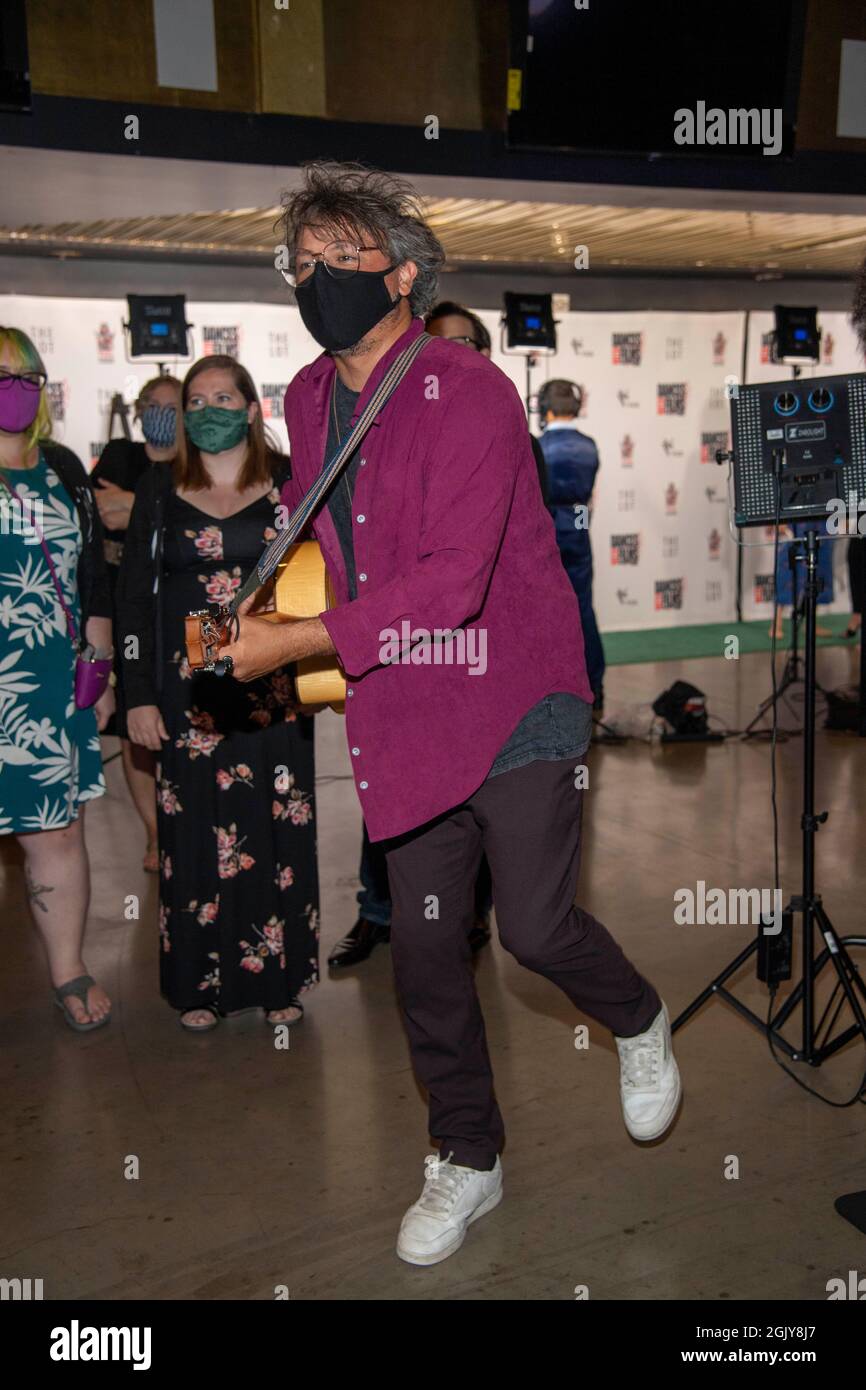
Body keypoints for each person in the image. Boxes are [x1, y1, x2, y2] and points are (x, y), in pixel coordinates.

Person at [220, 162, 681, 1265]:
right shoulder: (303, 399)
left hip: (513, 685)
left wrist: (292, 645)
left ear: (405, 275)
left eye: (344, 260)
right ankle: (466, 1156)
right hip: (402, 705)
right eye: (303, 263)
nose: (319, 281)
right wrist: (259, 603)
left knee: (529, 928)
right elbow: (326, 528)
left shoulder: (470, 389)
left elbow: (447, 583)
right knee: (425, 955)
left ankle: (634, 1016)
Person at [116, 355, 319, 1033]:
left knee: (277, 825)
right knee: (194, 830)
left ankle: (279, 980)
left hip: (274, 678)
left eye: (223, 396)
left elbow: (329, 570)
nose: (207, 409)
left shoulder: (291, 481)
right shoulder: (158, 486)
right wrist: (137, 695)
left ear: (253, 409)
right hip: (187, 687)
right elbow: (132, 602)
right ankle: (199, 985)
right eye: (195, 399)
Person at [0, 326, 115, 1030]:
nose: (11, 387)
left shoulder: (66, 466)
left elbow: (93, 566)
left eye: (22, 374)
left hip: (44, 682)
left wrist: (99, 654)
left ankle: (68, 969)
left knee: (58, 833)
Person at [91, 374, 182, 872]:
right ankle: (155, 834)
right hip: (129, 613)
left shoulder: (194, 467)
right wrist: (135, 511)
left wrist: (138, 511)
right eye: (153, 404)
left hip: (180, 615)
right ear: (139, 409)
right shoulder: (120, 457)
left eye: (173, 405)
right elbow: (103, 516)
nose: (161, 413)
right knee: (135, 723)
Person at [537, 379, 606, 710]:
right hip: (579, 533)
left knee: (544, 613)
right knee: (583, 608)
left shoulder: (539, 447)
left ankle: (552, 690)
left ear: (545, 409)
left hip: (546, 535)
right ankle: (594, 684)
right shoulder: (589, 446)